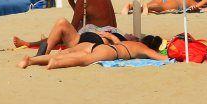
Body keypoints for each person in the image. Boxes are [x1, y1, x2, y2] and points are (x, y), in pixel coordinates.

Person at [18, 35, 165, 70]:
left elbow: (113, 38)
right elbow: (160, 58)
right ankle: (56, 63)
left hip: (96, 44)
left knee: (65, 53)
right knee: (84, 60)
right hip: (110, 52)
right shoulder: (143, 48)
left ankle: (30, 60)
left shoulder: (130, 42)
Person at [125, 0, 202, 14]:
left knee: (152, 5)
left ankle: (131, 6)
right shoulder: (190, 0)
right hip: (173, 3)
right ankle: (144, 7)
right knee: (158, 7)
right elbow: (204, 1)